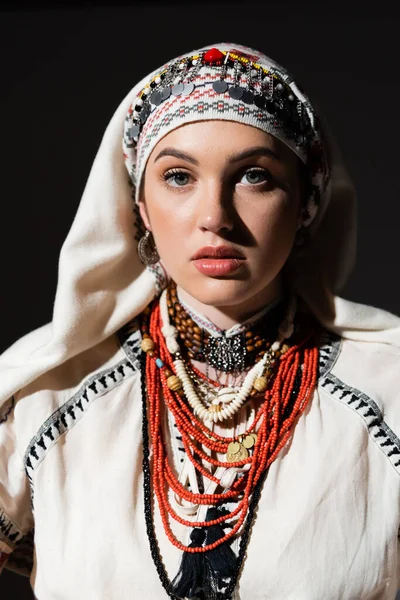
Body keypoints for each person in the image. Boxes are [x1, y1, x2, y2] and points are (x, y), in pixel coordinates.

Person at [1, 41, 400, 600]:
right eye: (179, 177)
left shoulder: (386, 397)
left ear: (308, 200)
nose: (215, 218)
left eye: (254, 176)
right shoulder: (42, 397)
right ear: (140, 203)